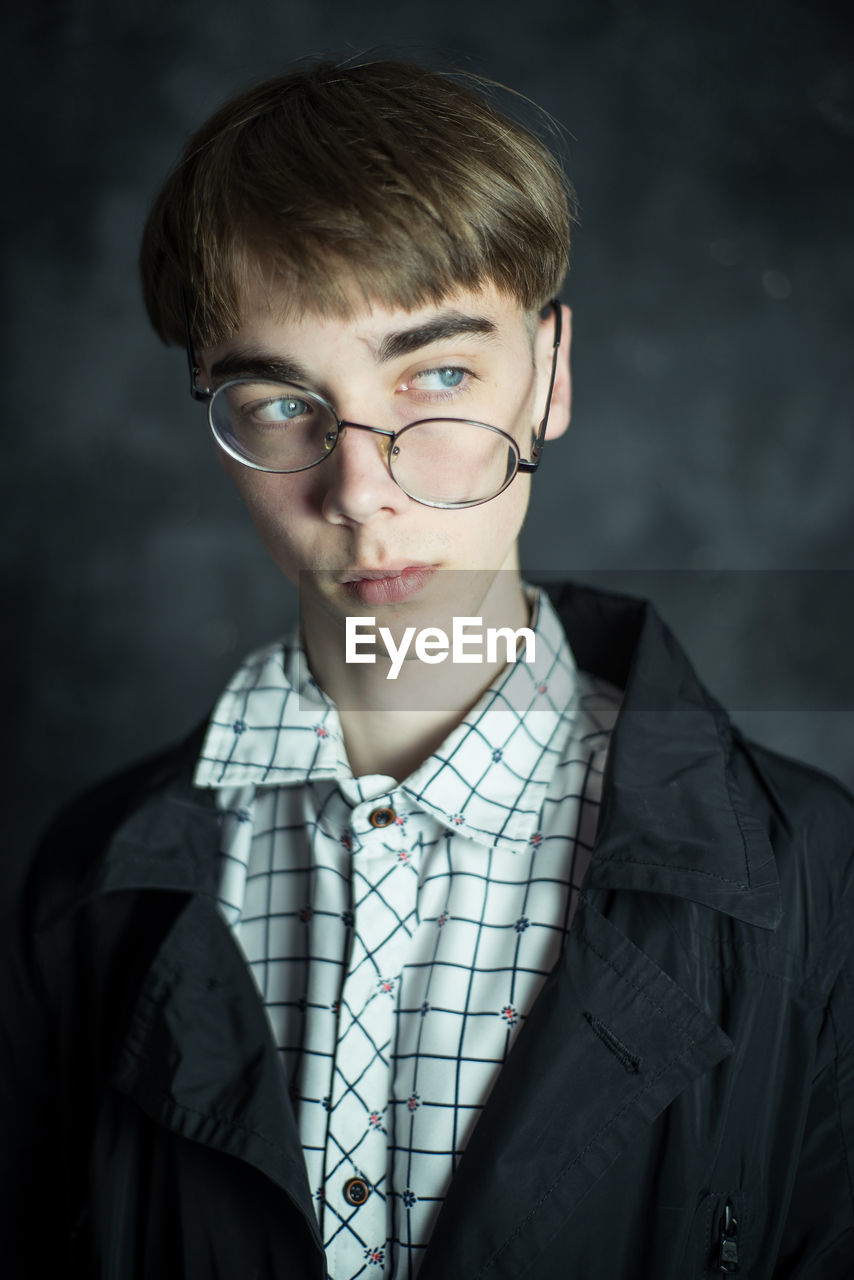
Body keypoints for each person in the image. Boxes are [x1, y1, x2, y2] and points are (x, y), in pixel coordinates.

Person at [2, 57, 853, 1280]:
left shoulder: (811, 875)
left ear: (548, 374)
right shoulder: (87, 883)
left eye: (437, 374)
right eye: (280, 400)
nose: (360, 489)